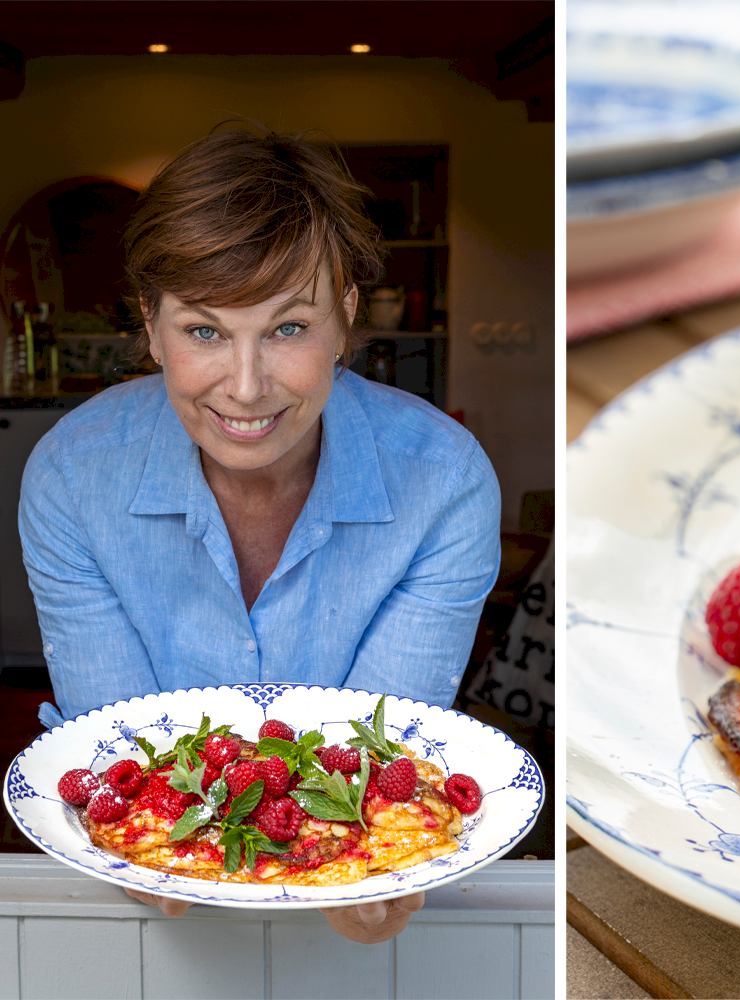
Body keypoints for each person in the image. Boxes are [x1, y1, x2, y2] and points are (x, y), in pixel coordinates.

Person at [18, 125, 500, 943]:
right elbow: (123, 765)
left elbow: (384, 762)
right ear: (150, 321)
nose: (244, 389)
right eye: (204, 331)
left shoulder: (446, 482)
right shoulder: (70, 477)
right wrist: (152, 861)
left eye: (288, 329)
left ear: (346, 317)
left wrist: (357, 871)